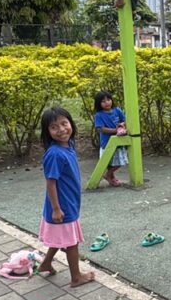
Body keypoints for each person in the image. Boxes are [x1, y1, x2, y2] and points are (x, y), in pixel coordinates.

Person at [37, 107, 95, 287]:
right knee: (72, 242)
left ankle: (46, 263)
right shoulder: (55, 154)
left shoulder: (68, 145)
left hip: (69, 202)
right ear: (47, 132)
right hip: (62, 206)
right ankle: (76, 277)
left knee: (62, 236)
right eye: (54, 127)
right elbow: (51, 183)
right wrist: (56, 208)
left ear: (71, 123)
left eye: (64, 123)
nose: (61, 129)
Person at [93, 90, 128, 187]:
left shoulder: (117, 110)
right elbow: (100, 129)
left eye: (108, 99)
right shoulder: (99, 115)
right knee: (109, 163)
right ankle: (110, 177)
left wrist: (122, 125)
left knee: (120, 161)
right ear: (99, 104)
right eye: (103, 101)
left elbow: (124, 120)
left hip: (119, 142)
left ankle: (109, 176)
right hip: (107, 143)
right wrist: (115, 131)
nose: (107, 102)